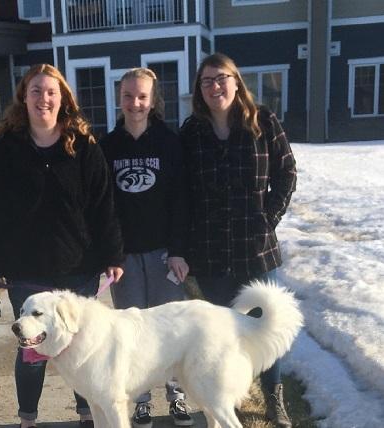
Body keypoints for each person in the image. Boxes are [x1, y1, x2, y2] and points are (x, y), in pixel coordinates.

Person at [0, 63, 124, 428]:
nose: (43, 98)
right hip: (25, 269)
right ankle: (28, 419)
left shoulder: (84, 145)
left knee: (81, 346)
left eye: (51, 92)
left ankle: (87, 414)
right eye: (36, 91)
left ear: (63, 99)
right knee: (32, 350)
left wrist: (112, 254)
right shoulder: (5, 148)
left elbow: (103, 204)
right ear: (24, 98)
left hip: (79, 267)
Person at [179, 53, 297, 428]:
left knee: (265, 326)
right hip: (210, 251)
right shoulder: (191, 132)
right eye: (207, 81)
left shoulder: (263, 121)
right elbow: (181, 192)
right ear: (199, 89)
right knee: (223, 334)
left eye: (221, 78)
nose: (215, 86)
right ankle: (226, 399)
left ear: (236, 81)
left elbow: (287, 171)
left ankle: (273, 397)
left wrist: (269, 217)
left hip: (255, 247)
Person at [99, 67, 193, 428]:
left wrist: (179, 250)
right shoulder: (108, 146)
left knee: (170, 329)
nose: (135, 103)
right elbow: (104, 205)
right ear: (119, 98)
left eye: (142, 96)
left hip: (163, 254)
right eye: (128, 96)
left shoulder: (169, 142)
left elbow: (181, 201)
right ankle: (140, 399)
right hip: (124, 259)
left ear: (153, 101)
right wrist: (111, 254)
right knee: (132, 332)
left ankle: (177, 395)